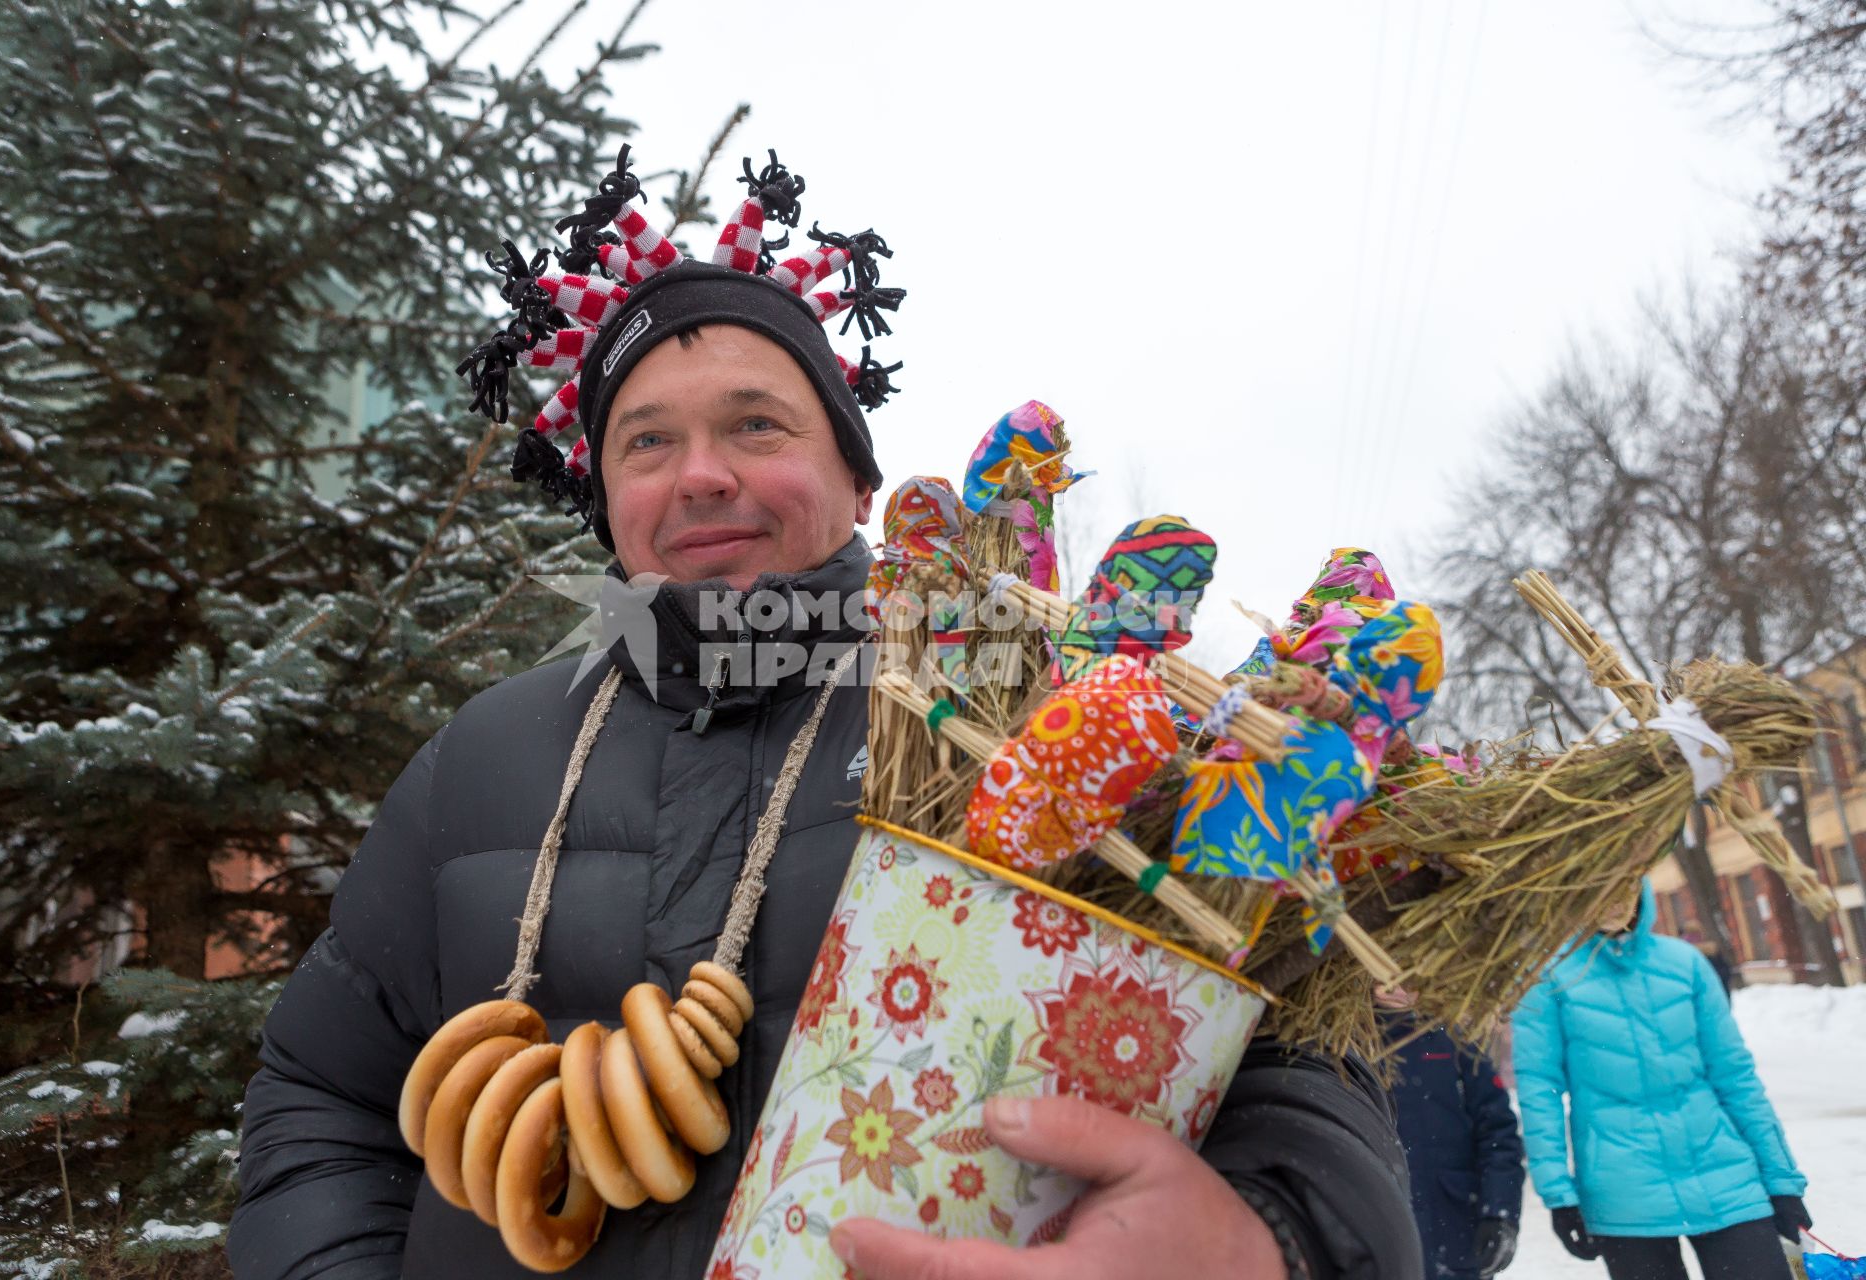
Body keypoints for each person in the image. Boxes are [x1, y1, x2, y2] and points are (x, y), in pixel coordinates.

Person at [227, 149, 1422, 1280]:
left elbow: (1293, 1049)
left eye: (756, 423)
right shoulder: (479, 756)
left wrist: (1265, 1237)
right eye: (648, 441)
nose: (701, 472)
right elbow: (323, 1092)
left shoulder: (1040, 717)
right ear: (608, 498)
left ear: (857, 475)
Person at [1512, 877, 1812, 1280]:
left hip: (1726, 1180)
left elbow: (1735, 1077)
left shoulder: (1684, 964)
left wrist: (1781, 1180)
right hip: (1623, 1195)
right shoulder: (1549, 979)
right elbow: (1539, 1090)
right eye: (1598, 886)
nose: (1614, 900)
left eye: (1624, 885)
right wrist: (1559, 1195)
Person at [1377, 988, 1524, 1279]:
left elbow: (1498, 1133)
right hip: (1381, 1235)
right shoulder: (1349, 1048)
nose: (1396, 985)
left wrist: (1499, 1213)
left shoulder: (1455, 1040)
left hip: (1456, 1231)